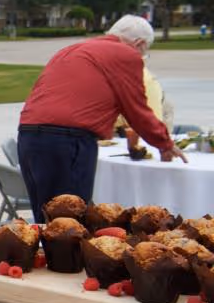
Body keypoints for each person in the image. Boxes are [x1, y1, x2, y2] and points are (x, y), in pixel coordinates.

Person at [17, 14, 188, 223]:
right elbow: (136, 108)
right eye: (145, 53)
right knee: (70, 222)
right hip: (69, 141)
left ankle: (45, 256)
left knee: (45, 219)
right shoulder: (125, 54)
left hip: (29, 135)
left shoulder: (74, 49)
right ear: (140, 43)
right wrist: (165, 143)